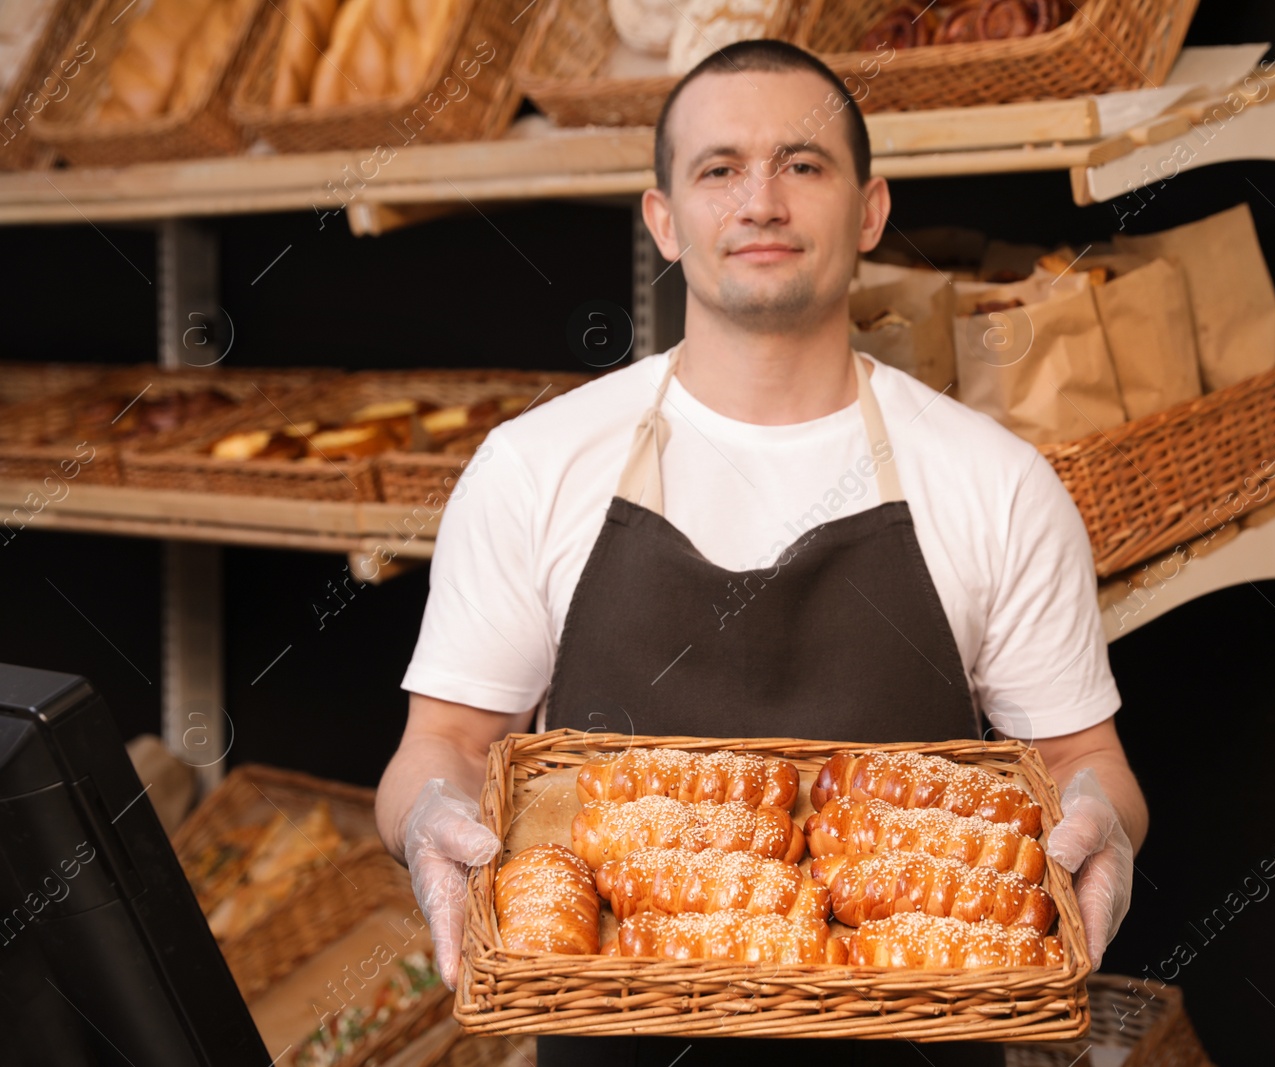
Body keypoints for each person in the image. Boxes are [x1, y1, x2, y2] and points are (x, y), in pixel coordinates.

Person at [376, 39, 1148, 1067]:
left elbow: (1079, 762)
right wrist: (426, 818)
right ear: (663, 220)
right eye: (718, 168)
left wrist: (1105, 826)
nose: (762, 202)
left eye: (804, 164)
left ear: (869, 209)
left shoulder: (994, 480)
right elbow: (447, 746)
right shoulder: (537, 465)